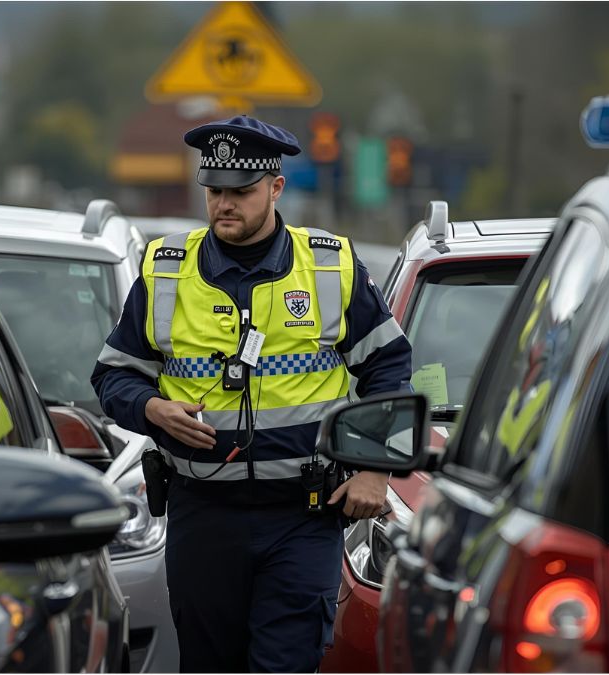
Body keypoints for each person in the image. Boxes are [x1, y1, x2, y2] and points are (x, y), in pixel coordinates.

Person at [92, 115, 412, 672]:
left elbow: (388, 365)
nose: (224, 205)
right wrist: (152, 408)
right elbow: (112, 376)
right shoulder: (166, 272)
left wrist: (373, 470)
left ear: (276, 188)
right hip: (202, 514)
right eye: (215, 192)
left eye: (240, 192)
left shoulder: (330, 267)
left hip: (303, 517)